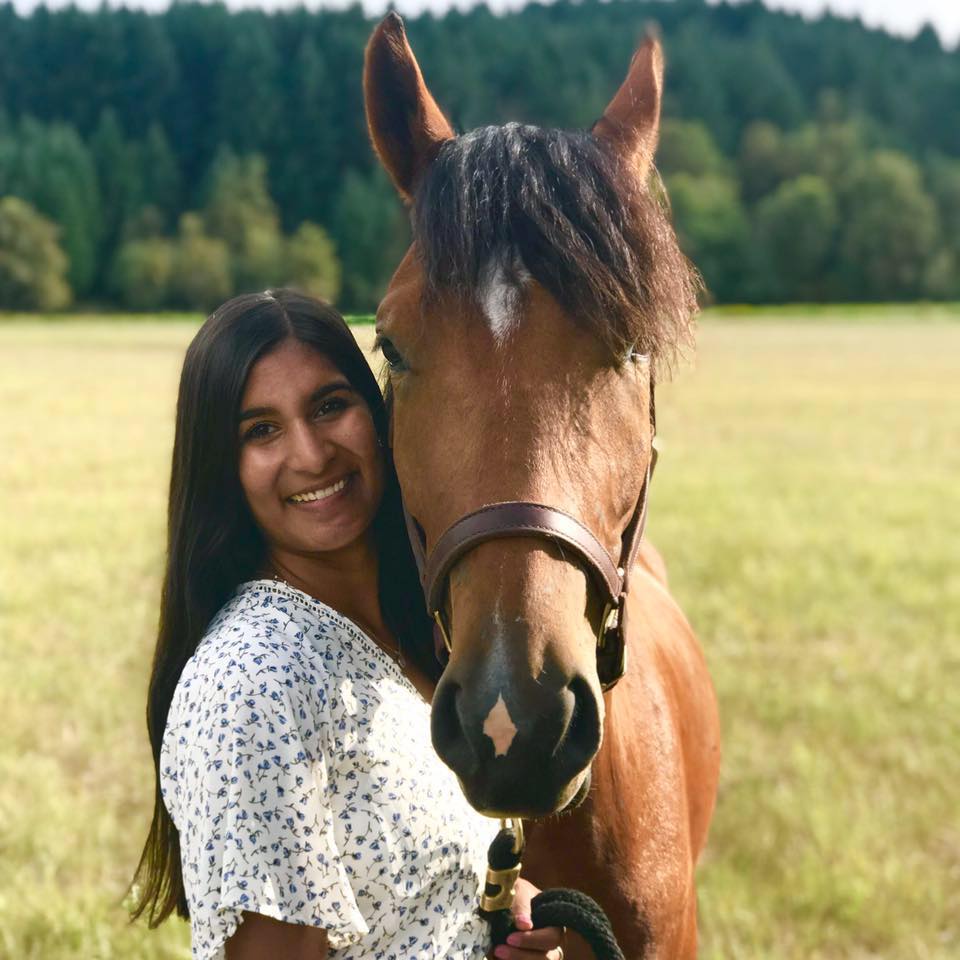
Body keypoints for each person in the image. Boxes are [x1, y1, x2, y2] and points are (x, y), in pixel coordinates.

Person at [131, 290, 564, 960]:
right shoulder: (254, 682)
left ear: (380, 411)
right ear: (224, 470)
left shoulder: (417, 626)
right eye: (260, 431)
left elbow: (404, 890)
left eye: (330, 405)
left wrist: (502, 910)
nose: (310, 455)